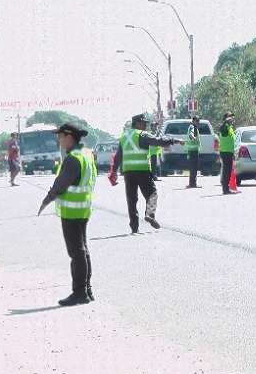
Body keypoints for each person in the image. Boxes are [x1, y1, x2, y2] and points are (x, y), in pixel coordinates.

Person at [37, 122, 96, 307]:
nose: (58, 139)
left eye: (60, 136)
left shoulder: (73, 158)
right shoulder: (86, 154)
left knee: (76, 252)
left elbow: (61, 185)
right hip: (83, 207)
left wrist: (46, 201)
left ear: (69, 137)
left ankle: (80, 292)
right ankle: (87, 289)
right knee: (83, 250)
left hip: (72, 210)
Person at [110, 114, 184, 233]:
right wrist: (174, 140)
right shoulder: (142, 135)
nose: (146, 125)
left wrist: (114, 170)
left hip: (128, 172)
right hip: (142, 171)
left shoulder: (124, 137)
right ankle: (150, 214)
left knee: (131, 200)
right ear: (137, 123)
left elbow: (118, 156)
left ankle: (134, 227)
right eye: (144, 123)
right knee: (152, 194)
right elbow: (158, 141)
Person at [218, 111, 237, 195]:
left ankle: (226, 187)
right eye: (230, 117)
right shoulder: (224, 126)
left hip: (229, 151)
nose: (231, 118)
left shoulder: (229, 127)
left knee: (228, 170)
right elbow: (221, 129)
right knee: (226, 170)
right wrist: (226, 120)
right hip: (225, 151)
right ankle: (225, 189)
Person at [185, 116, 201, 188]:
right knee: (193, 167)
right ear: (193, 121)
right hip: (193, 150)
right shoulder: (192, 127)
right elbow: (191, 134)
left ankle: (192, 183)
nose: (198, 122)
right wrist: (194, 138)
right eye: (196, 120)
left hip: (193, 150)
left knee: (193, 167)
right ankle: (192, 183)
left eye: (198, 120)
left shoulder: (194, 127)